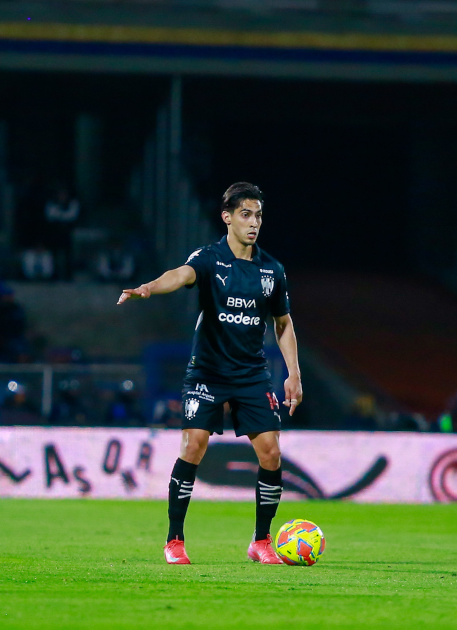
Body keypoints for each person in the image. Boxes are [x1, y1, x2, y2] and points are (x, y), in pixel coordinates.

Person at [117, 182, 302, 566]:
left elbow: (283, 324)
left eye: (259, 215)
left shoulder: (272, 269)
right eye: (247, 215)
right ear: (228, 217)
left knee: (271, 452)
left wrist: (293, 374)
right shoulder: (210, 259)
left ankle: (261, 540)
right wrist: (149, 288)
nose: (254, 223)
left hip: (252, 374)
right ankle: (174, 540)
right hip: (208, 372)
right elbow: (180, 274)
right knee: (194, 445)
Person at [44, 186, 80, 280]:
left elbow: (71, 216)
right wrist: (61, 215)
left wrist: (59, 215)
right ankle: (54, 274)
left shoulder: (72, 203)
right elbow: (50, 215)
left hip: (67, 232)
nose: (62, 197)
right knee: (54, 254)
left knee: (68, 254)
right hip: (54, 232)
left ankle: (68, 275)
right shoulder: (52, 203)